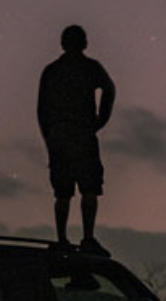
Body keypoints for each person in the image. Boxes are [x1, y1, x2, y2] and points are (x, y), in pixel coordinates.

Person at [37, 25, 115, 255]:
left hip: (61, 135)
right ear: (84, 43)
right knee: (86, 188)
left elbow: (41, 110)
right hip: (80, 133)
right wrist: (100, 119)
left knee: (65, 191)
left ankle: (64, 238)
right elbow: (109, 89)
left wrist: (49, 138)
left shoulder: (53, 70)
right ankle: (86, 237)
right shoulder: (89, 67)